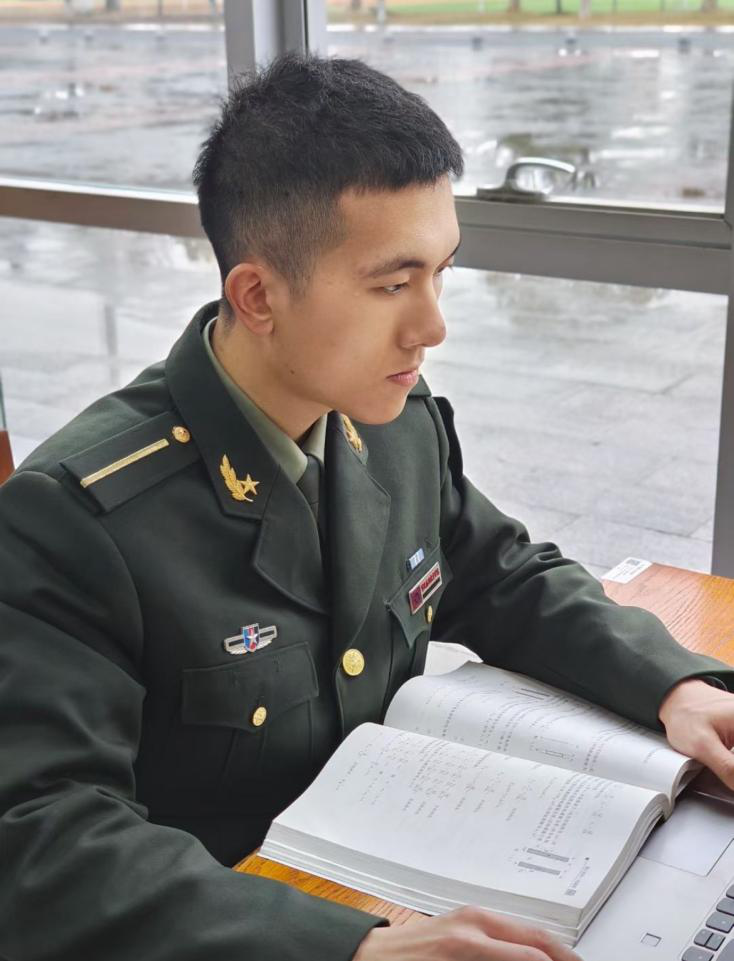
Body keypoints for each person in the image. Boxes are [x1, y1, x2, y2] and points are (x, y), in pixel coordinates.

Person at [1, 51, 733, 961]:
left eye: (441, 272)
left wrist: (671, 684)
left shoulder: (390, 425)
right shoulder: (79, 518)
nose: (432, 326)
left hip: (391, 874)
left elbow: (499, 573)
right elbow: (42, 841)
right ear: (257, 295)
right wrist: (351, 948)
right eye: (393, 283)